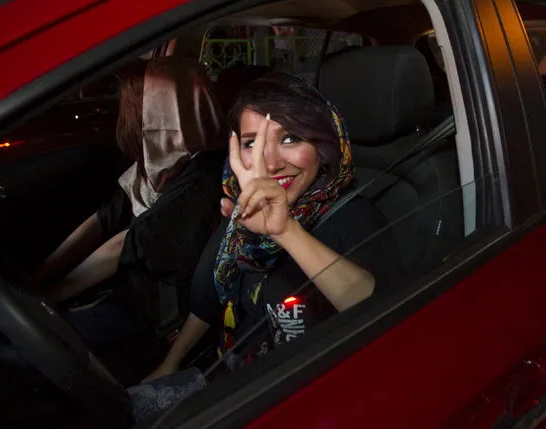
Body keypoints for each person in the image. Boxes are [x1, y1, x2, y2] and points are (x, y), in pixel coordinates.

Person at [144, 72, 402, 383]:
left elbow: (384, 317)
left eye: (291, 138)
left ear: (323, 147)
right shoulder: (244, 212)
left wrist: (285, 231)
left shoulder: (354, 217)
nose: (270, 162)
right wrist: (171, 363)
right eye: (252, 143)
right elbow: (207, 300)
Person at [30, 57, 227, 378]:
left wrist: (52, 296)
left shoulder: (203, 174)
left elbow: (126, 244)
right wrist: (38, 277)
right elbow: (102, 221)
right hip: (125, 298)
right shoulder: (160, 164)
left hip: (152, 323)